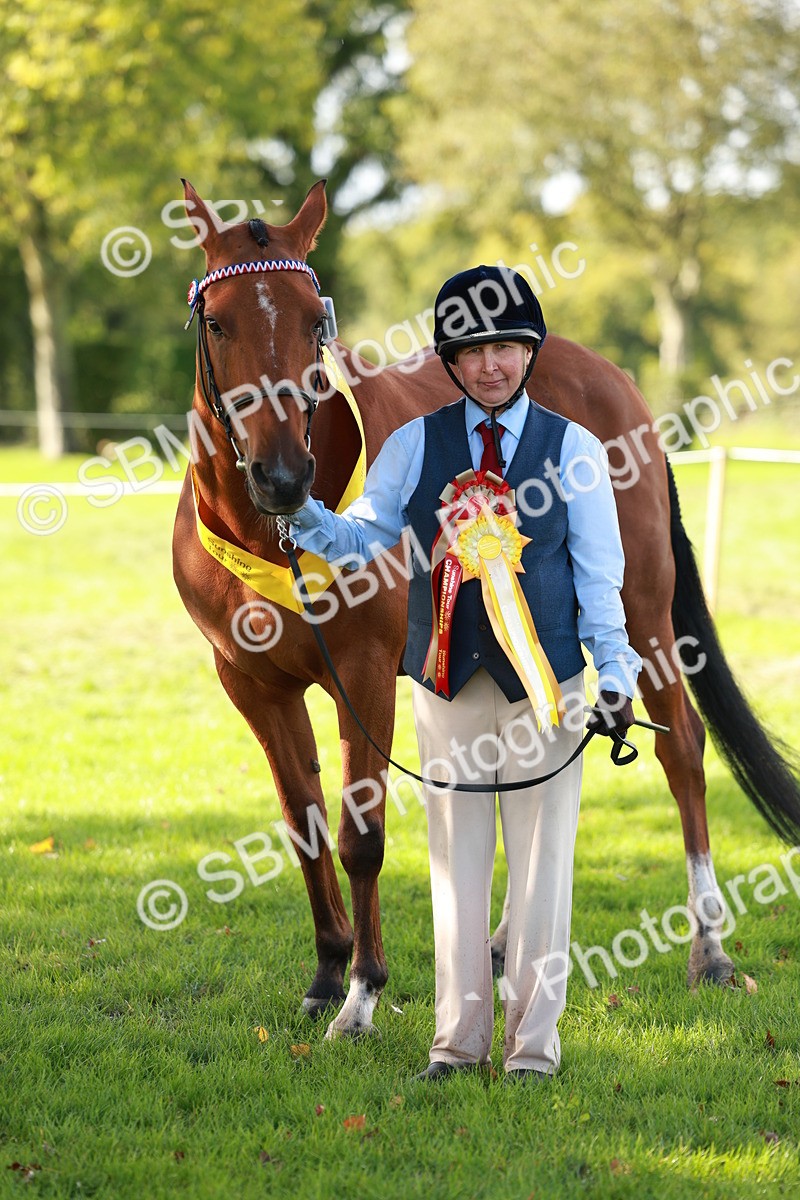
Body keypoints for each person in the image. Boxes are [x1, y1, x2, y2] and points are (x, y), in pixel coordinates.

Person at [289, 265, 641, 1083]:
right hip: (445, 685)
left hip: (548, 693)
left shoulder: (577, 449)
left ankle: (535, 1047)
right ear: (450, 359)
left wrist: (616, 677)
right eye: (474, 349)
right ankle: (456, 1042)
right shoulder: (413, 444)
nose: (492, 364)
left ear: (531, 351)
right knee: (454, 870)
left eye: (509, 347)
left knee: (544, 870)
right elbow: (366, 536)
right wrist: (298, 515)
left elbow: (599, 576)